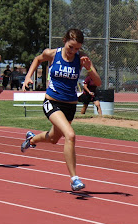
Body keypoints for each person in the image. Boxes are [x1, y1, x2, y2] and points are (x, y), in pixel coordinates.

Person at [20, 28, 102, 191]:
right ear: (64, 41)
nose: (73, 51)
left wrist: (89, 69)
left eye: (77, 48)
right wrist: (28, 77)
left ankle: (32, 140)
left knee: (53, 139)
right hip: (52, 101)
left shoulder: (81, 59)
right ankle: (74, 179)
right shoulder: (52, 54)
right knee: (70, 135)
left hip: (70, 105)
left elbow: (98, 82)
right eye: (71, 47)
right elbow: (37, 59)